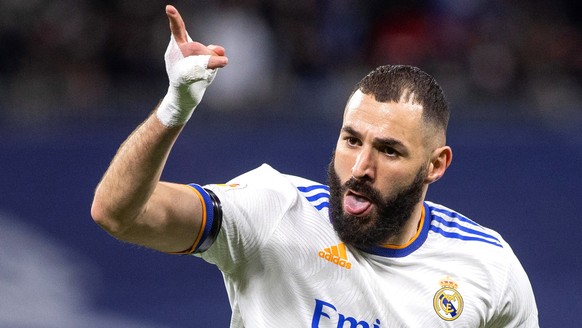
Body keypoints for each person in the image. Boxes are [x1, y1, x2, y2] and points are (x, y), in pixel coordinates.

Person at [91, 5, 539, 327]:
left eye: (389, 150)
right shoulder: (273, 211)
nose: (360, 166)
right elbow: (117, 213)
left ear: (435, 166)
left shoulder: (488, 269)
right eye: (351, 140)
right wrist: (175, 108)